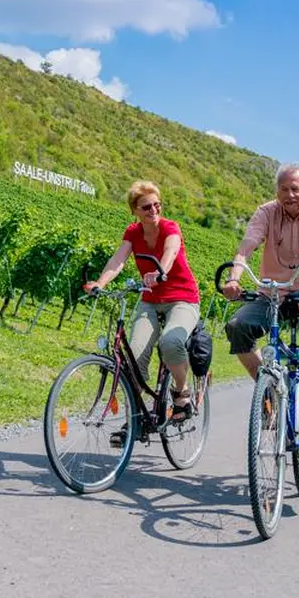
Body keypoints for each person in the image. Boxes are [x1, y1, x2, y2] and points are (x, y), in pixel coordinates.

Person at [221, 162, 299, 478]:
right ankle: (270, 390)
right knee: (237, 328)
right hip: (273, 294)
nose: (289, 194)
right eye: (283, 189)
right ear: (276, 191)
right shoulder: (266, 212)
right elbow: (246, 247)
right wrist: (235, 278)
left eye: (295, 188)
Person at [84, 180, 202, 424]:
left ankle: (182, 393)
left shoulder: (171, 228)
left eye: (157, 205)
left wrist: (160, 272)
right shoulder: (133, 232)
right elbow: (118, 261)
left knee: (171, 342)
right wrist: (100, 283)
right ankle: (135, 419)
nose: (154, 211)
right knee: (133, 359)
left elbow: (170, 252)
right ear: (135, 210)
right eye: (146, 207)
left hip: (183, 298)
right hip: (150, 299)